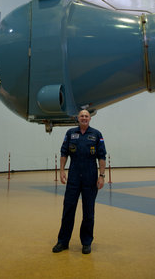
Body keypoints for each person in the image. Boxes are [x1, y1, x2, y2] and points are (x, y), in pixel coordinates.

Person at [52, 109, 106, 254]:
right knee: (68, 210)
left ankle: (86, 242)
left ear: (90, 118)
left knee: (88, 212)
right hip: (74, 176)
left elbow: (102, 156)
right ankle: (63, 242)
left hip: (90, 177)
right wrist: (62, 170)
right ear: (78, 118)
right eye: (81, 116)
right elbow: (64, 153)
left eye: (86, 116)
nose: (84, 118)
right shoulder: (70, 133)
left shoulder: (96, 134)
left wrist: (101, 176)